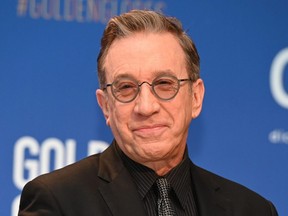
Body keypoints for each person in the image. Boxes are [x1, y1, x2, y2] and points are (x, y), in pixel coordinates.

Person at [18, 10, 278, 216]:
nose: (146, 107)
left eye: (164, 84)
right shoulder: (57, 200)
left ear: (196, 97)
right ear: (106, 106)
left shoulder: (252, 209)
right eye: (126, 87)